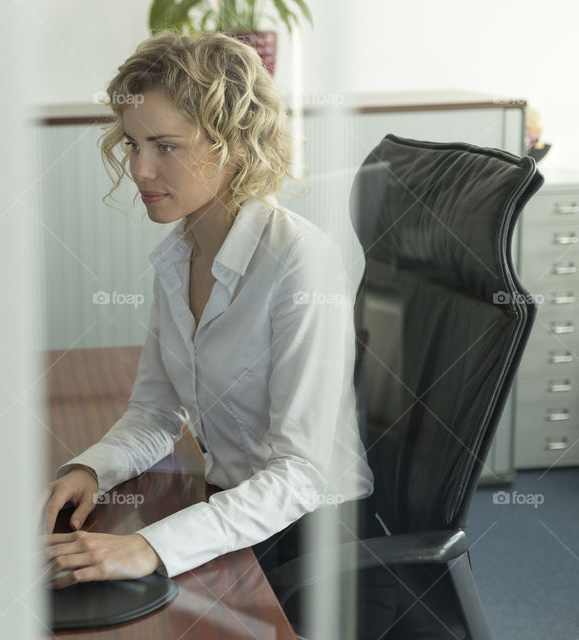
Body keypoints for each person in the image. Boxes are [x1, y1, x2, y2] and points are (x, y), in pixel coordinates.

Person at [39, 30, 386, 633]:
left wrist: (150, 546)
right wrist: (91, 470)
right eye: (134, 144)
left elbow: (302, 473)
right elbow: (154, 412)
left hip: (313, 534)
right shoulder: (179, 255)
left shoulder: (299, 260)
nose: (141, 170)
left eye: (166, 147)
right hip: (230, 504)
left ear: (236, 145)